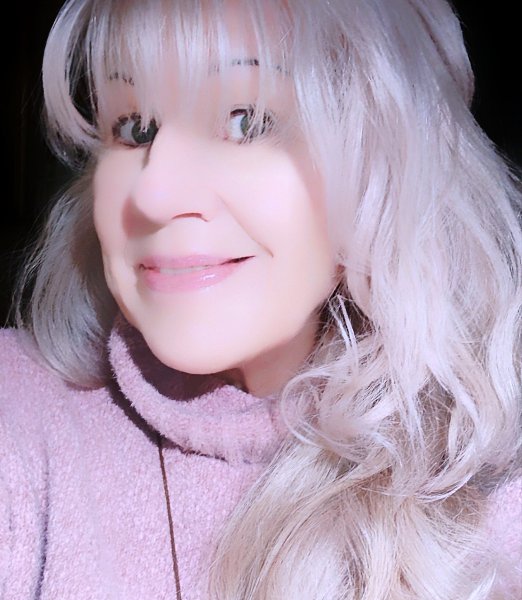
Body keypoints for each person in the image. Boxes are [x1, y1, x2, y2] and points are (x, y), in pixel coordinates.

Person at [1, 0, 521, 598]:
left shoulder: (492, 477)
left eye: (244, 121)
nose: (154, 194)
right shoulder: (20, 412)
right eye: (135, 128)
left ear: (385, 162)